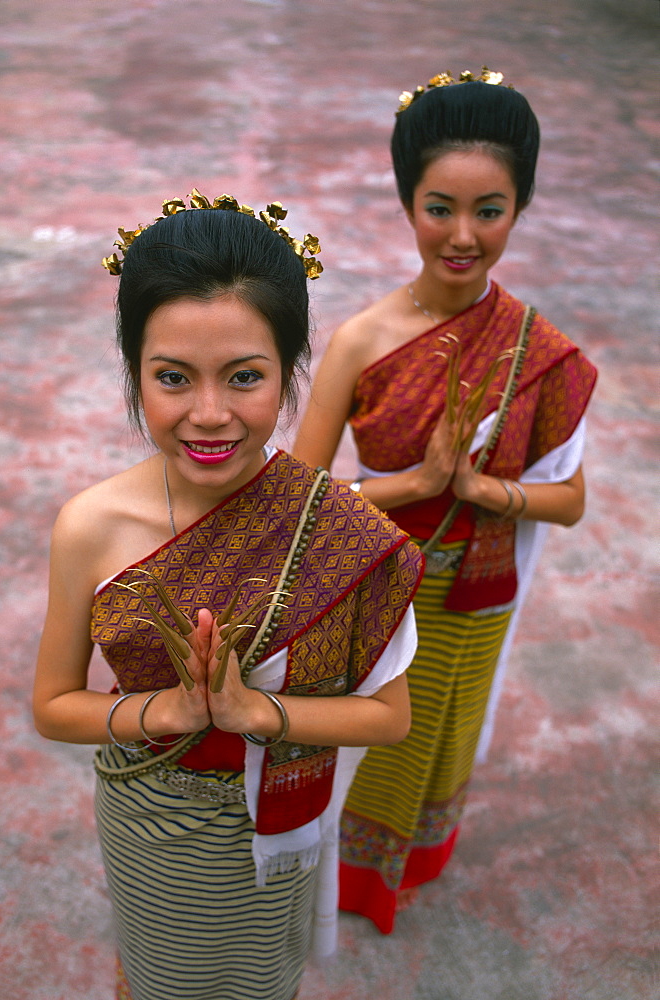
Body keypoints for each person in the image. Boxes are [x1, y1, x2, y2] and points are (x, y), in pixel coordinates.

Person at [32, 189, 423, 1000]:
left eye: (244, 377)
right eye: (173, 377)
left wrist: (256, 715)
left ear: (289, 377)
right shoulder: (92, 527)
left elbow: (389, 715)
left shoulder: (337, 528)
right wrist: (166, 712)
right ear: (135, 373)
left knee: (258, 980)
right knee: (157, 974)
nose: (209, 416)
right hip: (151, 819)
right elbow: (54, 705)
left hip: (279, 821)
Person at [293, 68, 597, 934]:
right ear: (407, 201)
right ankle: (339, 885)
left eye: (489, 211)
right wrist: (418, 486)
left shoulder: (540, 350)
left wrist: (484, 490)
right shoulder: (361, 340)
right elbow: (302, 500)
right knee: (368, 745)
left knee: (446, 730)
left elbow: (569, 501)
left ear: (519, 206)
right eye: (439, 208)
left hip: (477, 596)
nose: (462, 236)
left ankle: (409, 866)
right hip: (382, 589)